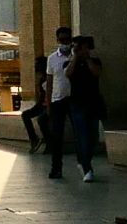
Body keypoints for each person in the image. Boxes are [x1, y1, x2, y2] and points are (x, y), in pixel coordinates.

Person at [67, 36, 105, 182]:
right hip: (77, 104)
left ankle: (84, 160)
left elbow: (97, 73)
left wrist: (87, 57)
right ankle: (87, 167)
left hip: (93, 102)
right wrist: (75, 57)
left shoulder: (95, 61)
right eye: (76, 47)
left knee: (93, 136)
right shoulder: (71, 63)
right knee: (82, 135)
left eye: (81, 47)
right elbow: (67, 74)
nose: (78, 50)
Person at [43, 26, 75, 178]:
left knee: (80, 133)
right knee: (57, 136)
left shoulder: (76, 56)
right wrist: (48, 103)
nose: (64, 43)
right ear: (57, 40)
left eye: (67, 40)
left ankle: (85, 165)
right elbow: (49, 82)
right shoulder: (52, 59)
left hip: (75, 100)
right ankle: (56, 167)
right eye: (62, 40)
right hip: (57, 100)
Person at [20, 54, 50, 153]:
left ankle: (49, 143)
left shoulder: (51, 77)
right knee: (25, 115)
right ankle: (34, 139)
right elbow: (39, 95)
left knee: (42, 120)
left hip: (50, 104)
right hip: (42, 104)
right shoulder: (42, 78)